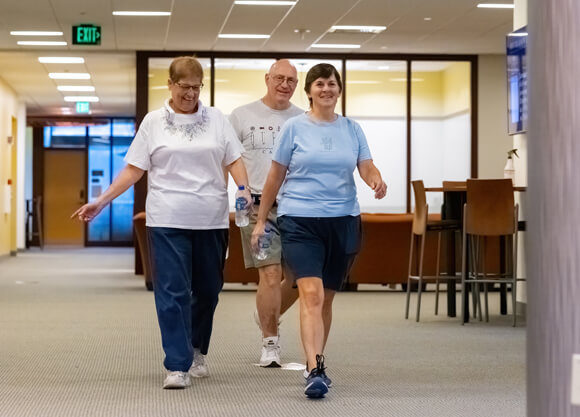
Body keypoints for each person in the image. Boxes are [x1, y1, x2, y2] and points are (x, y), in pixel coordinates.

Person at [72, 56, 251, 390]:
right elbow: (133, 169)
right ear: (169, 84)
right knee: (172, 290)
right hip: (167, 218)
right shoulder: (153, 122)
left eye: (196, 88)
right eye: (184, 87)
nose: (191, 94)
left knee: (208, 291)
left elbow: (234, 158)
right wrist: (101, 201)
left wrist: (243, 188)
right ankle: (177, 364)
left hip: (210, 218)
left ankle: (197, 347)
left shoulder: (217, 120)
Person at [251, 63, 387, 399]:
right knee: (310, 294)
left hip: (343, 221)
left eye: (332, 84)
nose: (327, 89)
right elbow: (274, 177)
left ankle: (317, 358)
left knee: (325, 298)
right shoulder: (294, 128)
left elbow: (365, 163)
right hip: (299, 221)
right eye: (320, 84)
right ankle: (315, 369)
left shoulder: (352, 129)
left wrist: (375, 179)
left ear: (339, 90)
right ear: (309, 91)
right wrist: (260, 220)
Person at [229, 59, 302, 367]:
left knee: (300, 279)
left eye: (291, 81)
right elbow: (229, 157)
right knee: (270, 274)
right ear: (267, 79)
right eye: (279, 78)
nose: (284, 85)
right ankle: (270, 343)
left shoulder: (303, 119)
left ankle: (266, 313)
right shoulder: (242, 115)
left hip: (297, 207)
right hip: (259, 205)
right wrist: (241, 188)